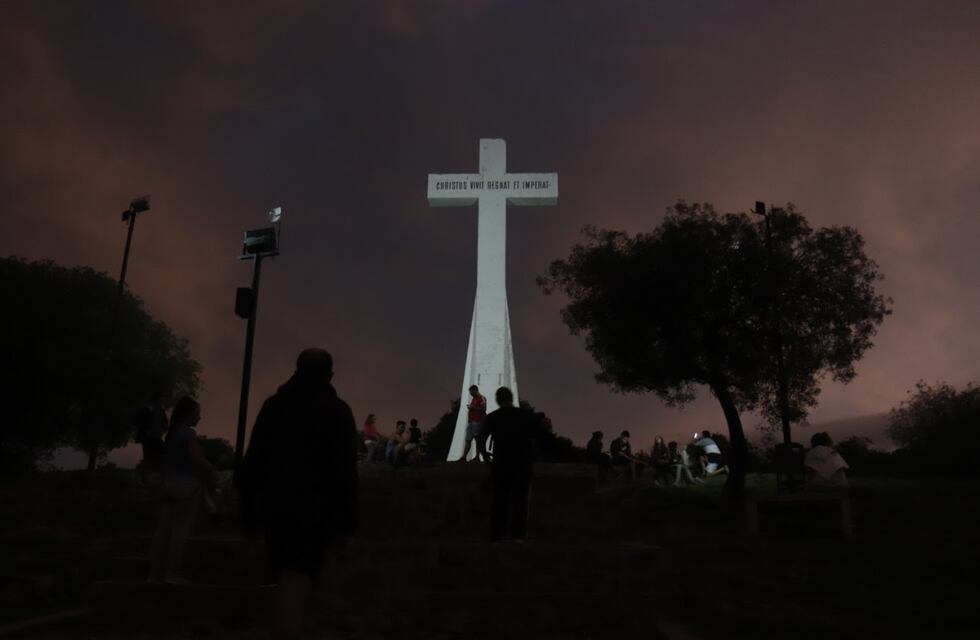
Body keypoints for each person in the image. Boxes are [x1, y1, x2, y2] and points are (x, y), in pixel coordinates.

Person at [238, 348, 358, 640]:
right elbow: (345, 471)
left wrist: (248, 513)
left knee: (287, 577)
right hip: (316, 511)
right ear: (329, 375)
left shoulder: (274, 406)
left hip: (277, 506)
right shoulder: (337, 411)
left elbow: (253, 462)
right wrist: (345, 522)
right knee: (299, 578)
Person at [148, 396, 214, 585]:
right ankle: (172, 573)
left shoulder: (173, 434)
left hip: (169, 483)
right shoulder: (188, 433)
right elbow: (195, 458)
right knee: (179, 530)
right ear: (189, 414)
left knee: (162, 531)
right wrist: (210, 468)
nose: (199, 417)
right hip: (185, 485)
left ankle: (154, 574)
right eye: (197, 413)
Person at [480, 387, 539, 543]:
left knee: (500, 499)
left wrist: (486, 456)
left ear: (498, 400)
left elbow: (481, 438)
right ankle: (518, 535)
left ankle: (497, 534)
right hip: (522, 463)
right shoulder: (525, 416)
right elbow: (535, 439)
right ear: (511, 398)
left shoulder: (494, 417)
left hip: (501, 463)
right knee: (520, 499)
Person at [134, 393, 168, 483]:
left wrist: (162, 431)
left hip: (157, 437)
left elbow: (165, 424)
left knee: (163, 456)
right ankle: (145, 478)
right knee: (147, 457)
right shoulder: (147, 410)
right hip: (147, 438)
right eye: (160, 400)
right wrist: (145, 431)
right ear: (156, 400)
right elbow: (139, 422)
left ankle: (162, 478)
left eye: (162, 400)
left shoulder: (161, 411)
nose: (162, 402)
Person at [459, 385, 487, 462]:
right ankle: (463, 457)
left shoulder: (482, 398)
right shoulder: (473, 399)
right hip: (471, 422)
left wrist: (473, 408)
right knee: (468, 440)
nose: (470, 394)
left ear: (475, 390)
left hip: (477, 421)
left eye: (471, 392)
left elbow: (484, 409)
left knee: (477, 439)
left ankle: (477, 457)